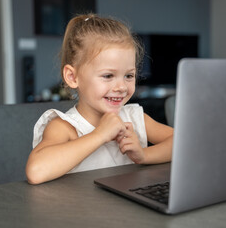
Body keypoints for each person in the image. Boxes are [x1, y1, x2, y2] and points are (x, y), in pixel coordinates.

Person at [26, 14, 173, 185]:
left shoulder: (135, 118)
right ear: (73, 77)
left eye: (129, 75)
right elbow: (36, 172)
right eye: (108, 75)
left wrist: (143, 155)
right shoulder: (65, 127)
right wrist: (100, 134)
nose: (122, 87)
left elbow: (184, 144)